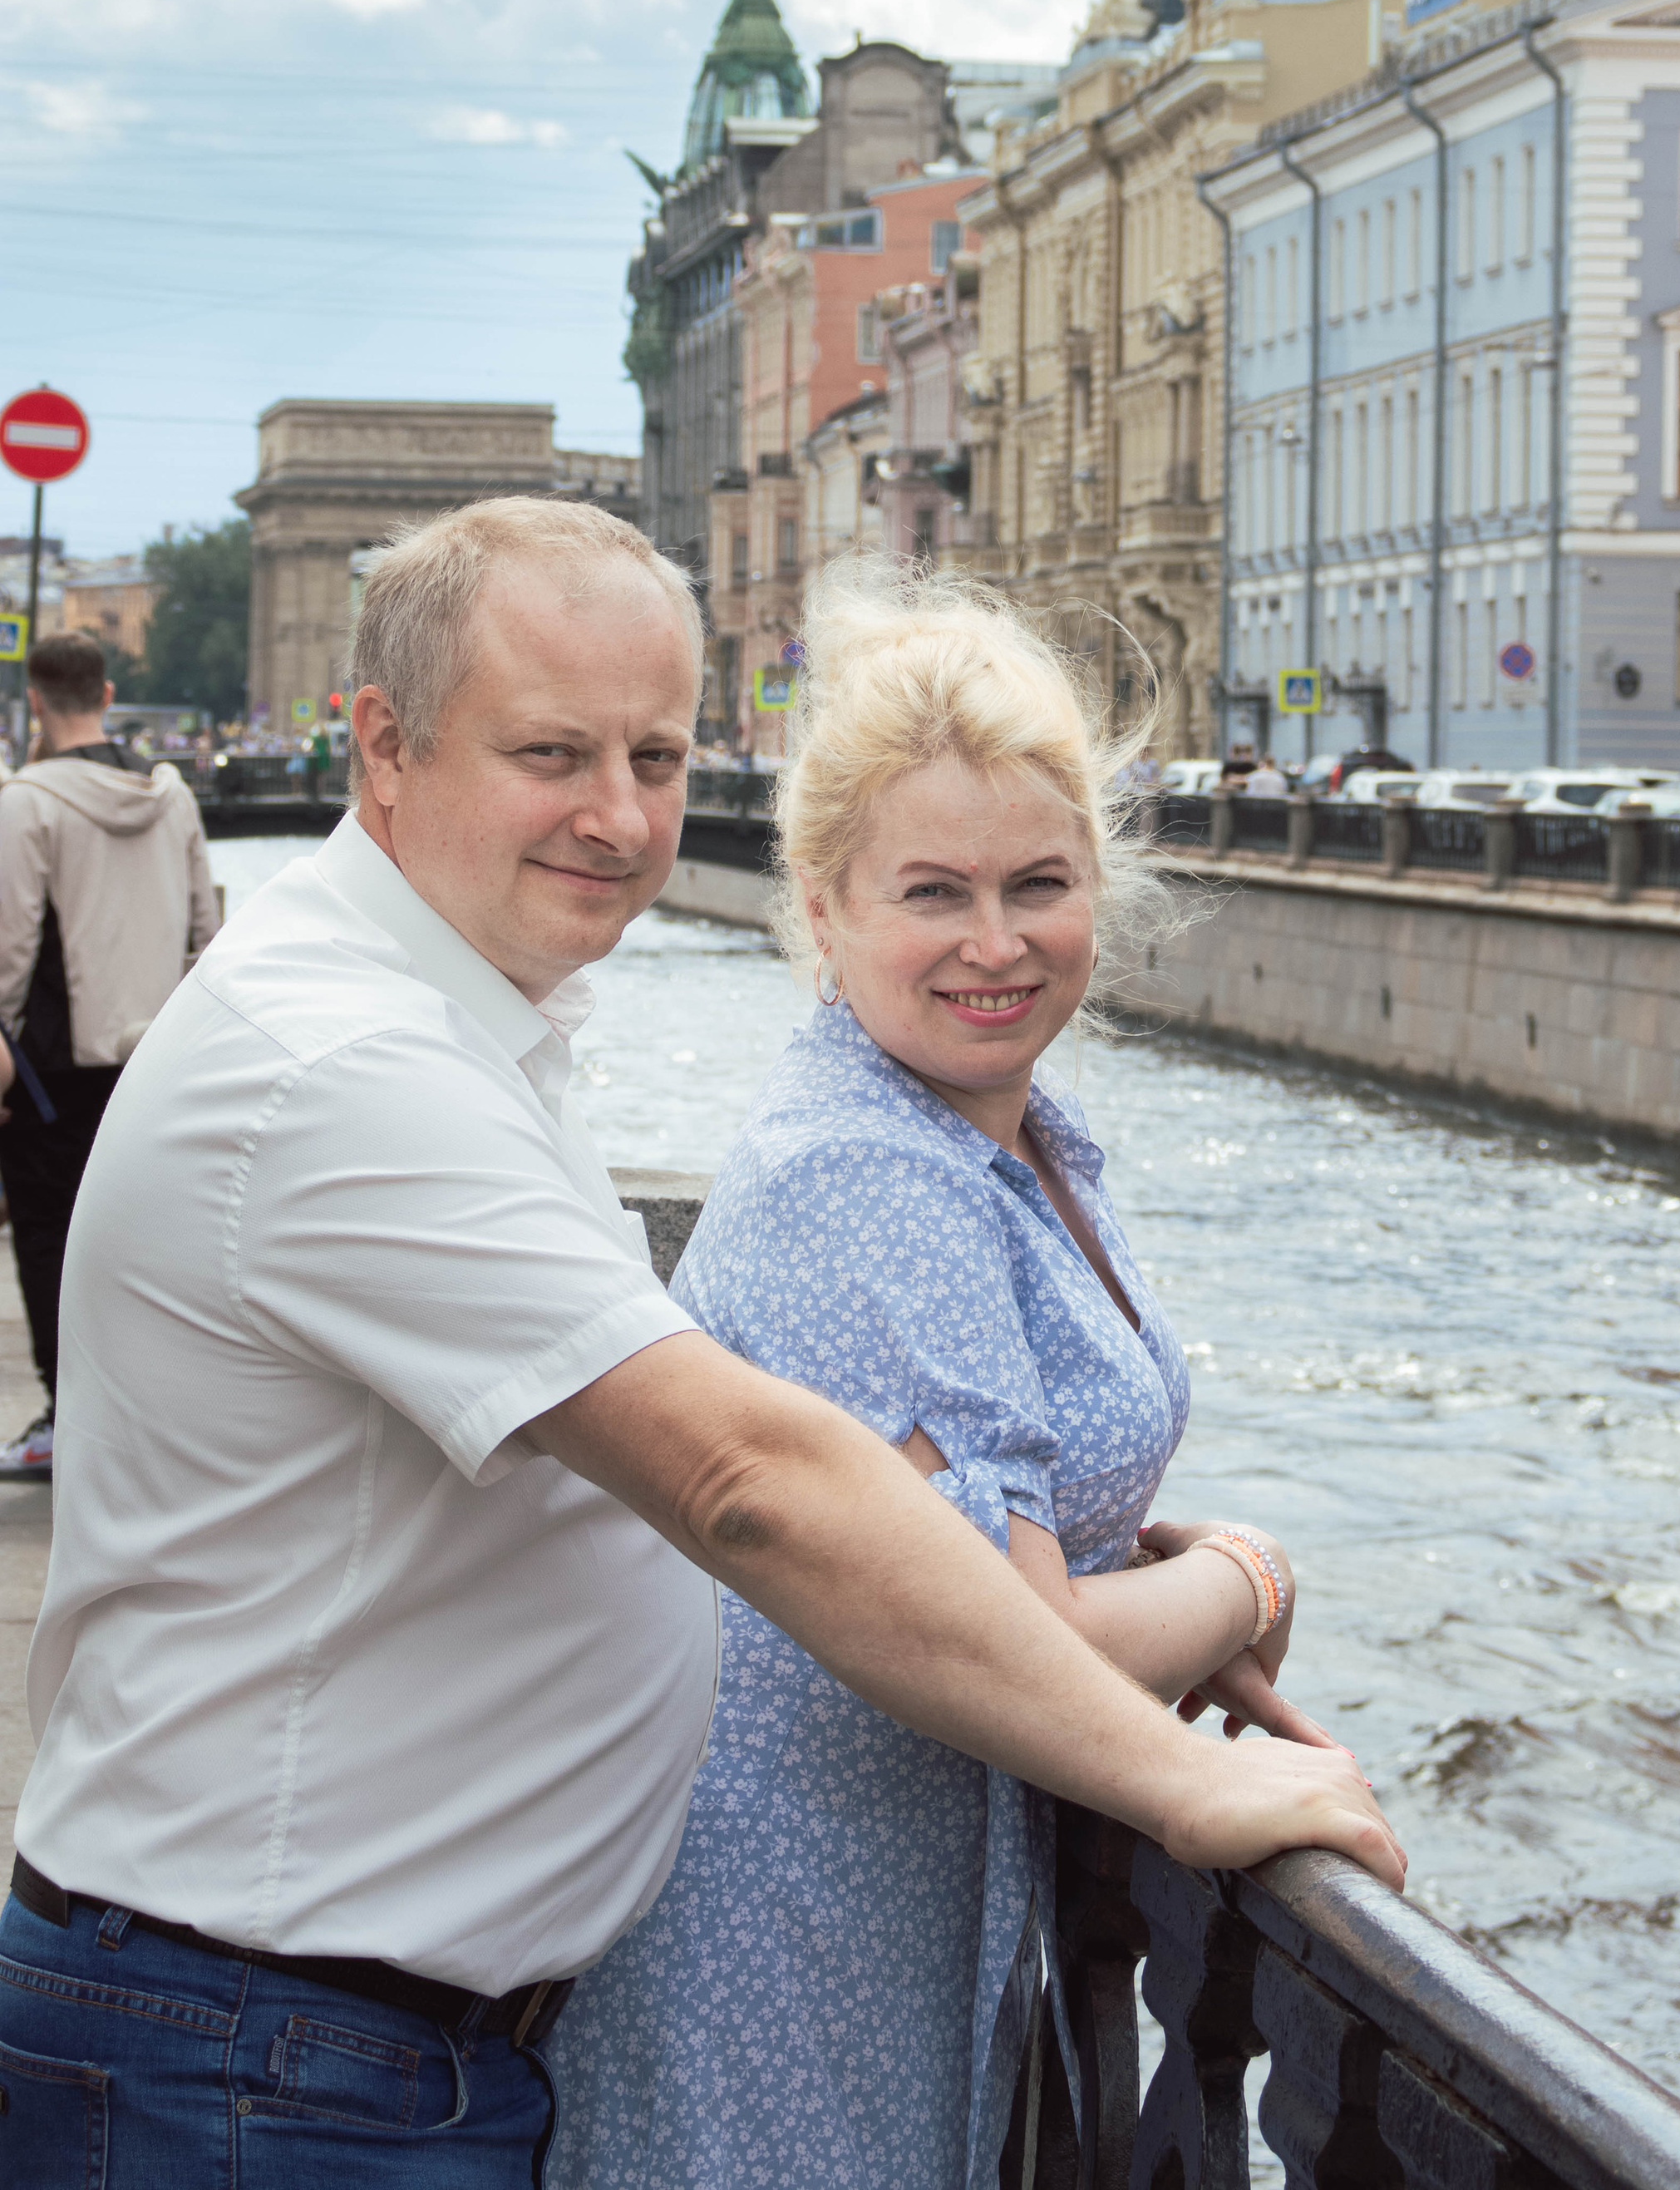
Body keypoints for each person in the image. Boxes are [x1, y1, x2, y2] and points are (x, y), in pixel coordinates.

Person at [0, 498, 1401, 2183]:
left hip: (328, 2038)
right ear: (380, 747)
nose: (617, 814)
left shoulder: (446, 1023)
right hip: (261, 2055)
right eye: (550, 753)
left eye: (656, 756)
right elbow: (743, 1478)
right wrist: (1185, 1780)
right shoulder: (340, 1069)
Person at [548, 565, 1334, 2190]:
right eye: (930, 895)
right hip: (788, 1940)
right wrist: (1245, 1584)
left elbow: (1021, 1512)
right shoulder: (866, 1176)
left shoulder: (1007, 1132)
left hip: (914, 1899)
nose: (995, 943)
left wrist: (1140, 1559)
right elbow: (1017, 1631)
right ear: (821, 909)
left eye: (1036, 884)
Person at [0, 628, 219, 1480]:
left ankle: (67, 1422)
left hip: (53, 1069)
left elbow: (12, 949)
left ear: (34, 702)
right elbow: (208, 937)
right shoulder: (174, 797)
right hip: (155, 1064)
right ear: (108, 691)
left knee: (52, 1245)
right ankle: (141, 1423)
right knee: (145, 1249)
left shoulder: (27, 803)